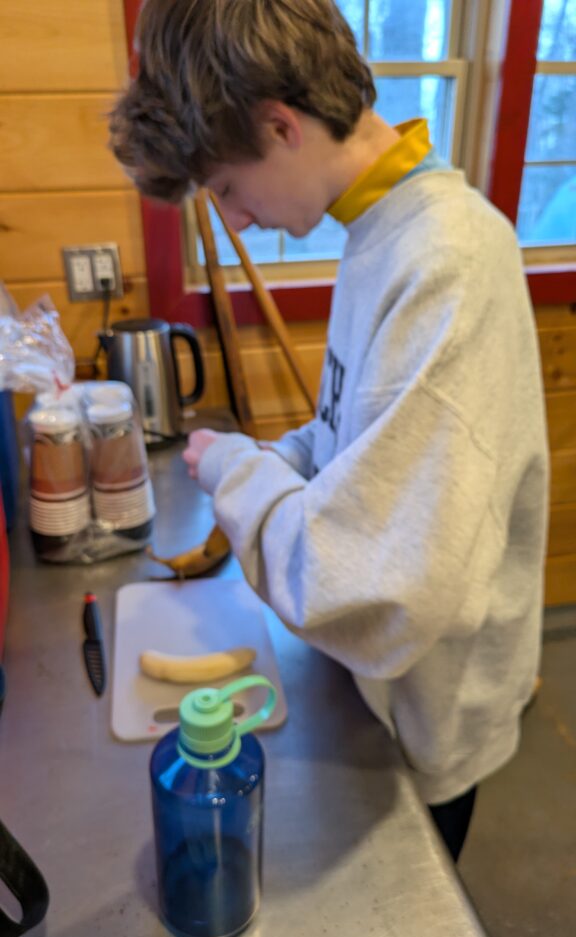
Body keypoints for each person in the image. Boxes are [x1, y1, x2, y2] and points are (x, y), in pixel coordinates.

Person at [109, 0, 549, 862]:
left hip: (426, 717)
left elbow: (387, 587)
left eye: (226, 188)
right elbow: (357, 431)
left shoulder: (448, 261)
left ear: (282, 126)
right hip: (379, 694)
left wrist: (240, 475)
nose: (235, 219)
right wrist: (278, 455)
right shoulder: (377, 230)